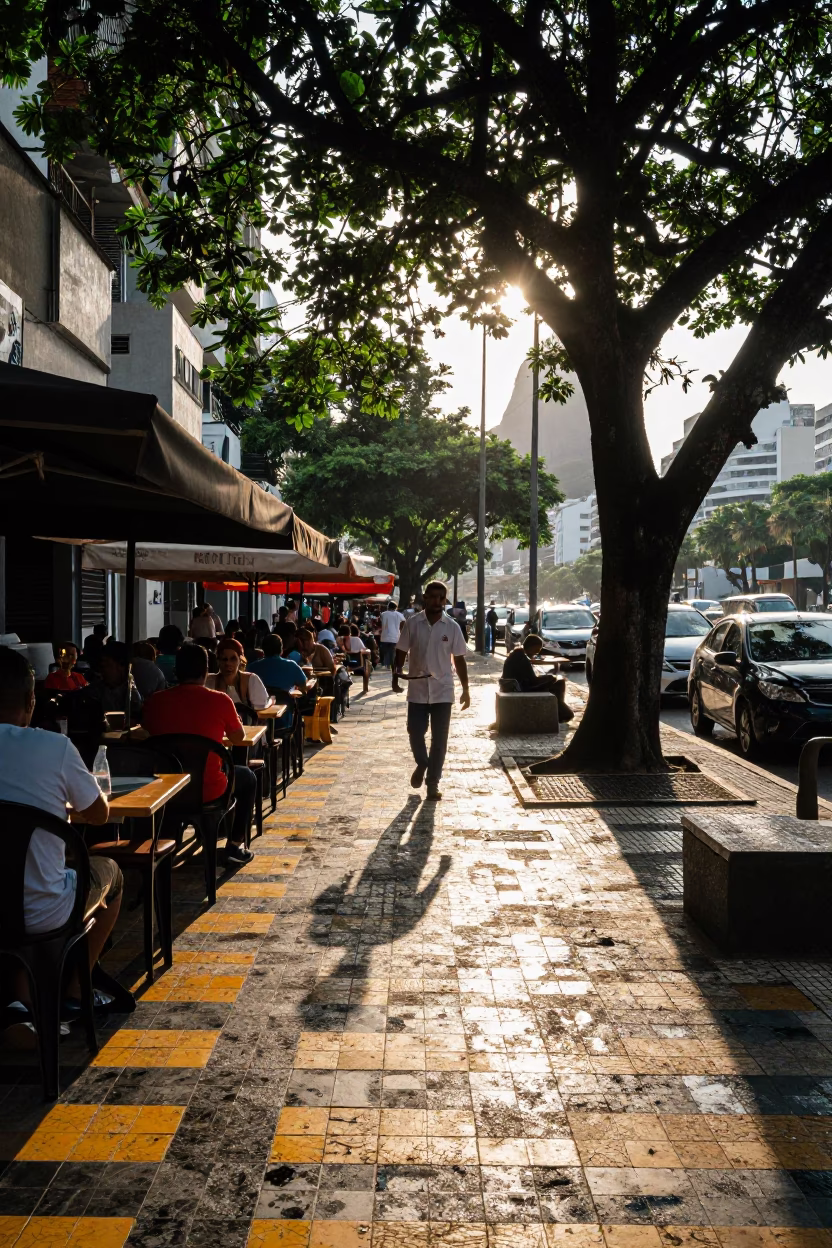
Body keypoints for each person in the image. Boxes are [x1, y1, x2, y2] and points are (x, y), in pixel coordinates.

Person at [0, 646, 123, 1014]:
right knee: (110, 875)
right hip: (44, 912)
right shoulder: (55, 747)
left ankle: (19, 1003)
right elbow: (100, 815)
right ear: (31, 700)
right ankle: (76, 990)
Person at [141, 643, 256, 864]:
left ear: (176, 671)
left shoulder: (155, 701)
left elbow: (147, 732)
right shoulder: (221, 701)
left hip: (164, 791)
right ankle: (235, 845)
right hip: (208, 789)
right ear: (206, 671)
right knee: (247, 778)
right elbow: (239, 738)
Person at [393, 580, 470, 801]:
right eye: (433, 597)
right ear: (425, 597)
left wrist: (466, 688)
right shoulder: (412, 623)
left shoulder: (453, 627)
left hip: (443, 690)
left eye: (441, 598)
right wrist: (396, 675)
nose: (437, 601)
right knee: (414, 732)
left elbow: (460, 659)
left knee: (440, 740)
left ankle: (433, 783)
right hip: (417, 689)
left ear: (445, 600)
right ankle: (422, 763)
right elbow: (400, 651)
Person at [501, 635, 574, 721]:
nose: (537, 652)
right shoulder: (522, 659)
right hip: (522, 688)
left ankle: (559, 711)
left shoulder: (517, 654)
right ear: (531, 646)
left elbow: (529, 678)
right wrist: (549, 678)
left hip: (518, 686)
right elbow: (533, 680)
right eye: (536, 649)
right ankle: (562, 713)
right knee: (559, 683)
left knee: (555, 681)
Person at [249, 635, 308, 731]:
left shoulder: (252, 667)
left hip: (257, 720)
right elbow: (304, 686)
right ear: (281, 650)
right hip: (284, 719)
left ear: (263, 650)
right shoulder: (291, 665)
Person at [207, 637, 270, 709]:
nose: (228, 663)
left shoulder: (251, 680)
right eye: (224, 659)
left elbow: (261, 707)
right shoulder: (209, 681)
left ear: (240, 660)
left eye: (233, 659)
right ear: (218, 661)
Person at [85, 641, 142, 719]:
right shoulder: (94, 692)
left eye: (105, 665)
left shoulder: (135, 689)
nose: (102, 670)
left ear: (121, 665)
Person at [379, 600, 405, 669]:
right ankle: (392, 665)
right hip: (395, 636)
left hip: (385, 636)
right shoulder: (399, 614)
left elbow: (380, 621)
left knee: (386, 651)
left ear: (388, 606)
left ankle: (387, 664)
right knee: (393, 651)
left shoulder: (383, 614)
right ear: (396, 607)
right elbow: (403, 622)